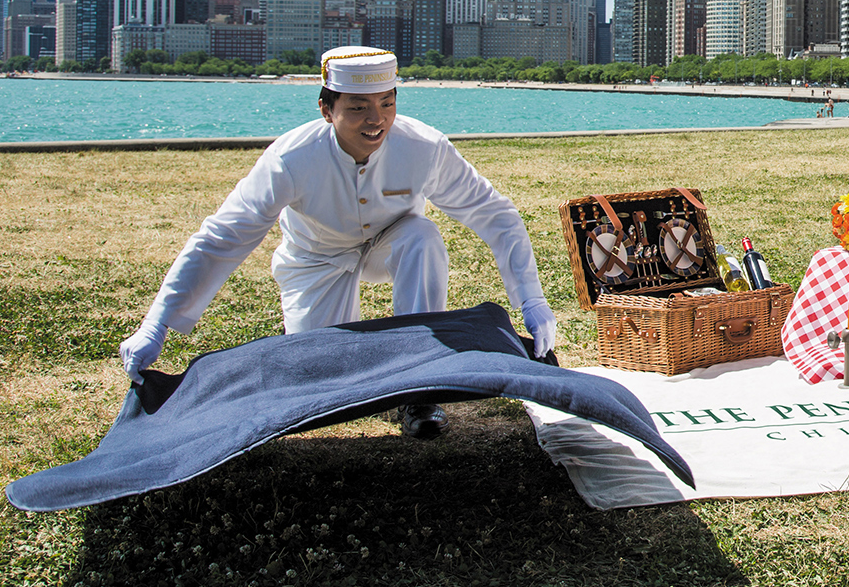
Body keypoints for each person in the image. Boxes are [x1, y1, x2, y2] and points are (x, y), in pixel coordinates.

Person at [117, 46, 559, 439]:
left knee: (422, 237)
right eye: (359, 107)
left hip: (390, 244)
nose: (377, 119)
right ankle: (300, 338)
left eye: (387, 104)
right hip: (317, 259)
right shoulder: (290, 160)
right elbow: (222, 238)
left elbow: (495, 214)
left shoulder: (423, 147)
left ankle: (420, 389)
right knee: (321, 381)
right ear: (326, 109)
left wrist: (531, 300)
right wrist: (157, 323)